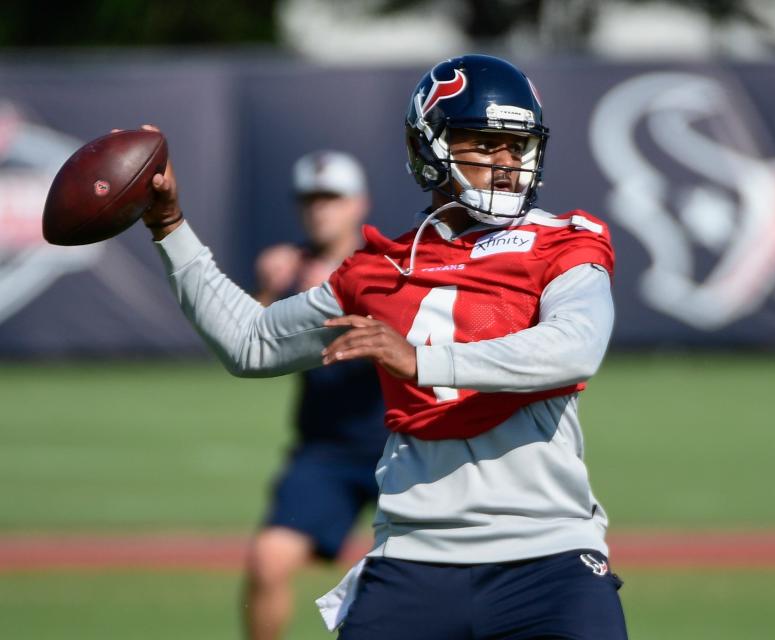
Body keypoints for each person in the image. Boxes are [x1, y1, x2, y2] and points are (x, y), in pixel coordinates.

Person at [139, 54, 627, 639]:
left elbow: (574, 348)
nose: (504, 164)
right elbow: (249, 342)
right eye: (482, 142)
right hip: (415, 558)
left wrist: (420, 359)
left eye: (516, 146)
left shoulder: (564, 242)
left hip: (549, 556)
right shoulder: (378, 269)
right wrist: (171, 228)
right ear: (431, 145)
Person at [244, 151, 386, 640]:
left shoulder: (387, 264)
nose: (320, 209)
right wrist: (269, 296)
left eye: (332, 198)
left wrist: (330, 297)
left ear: (358, 204)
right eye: (310, 199)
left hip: (401, 440)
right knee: (267, 561)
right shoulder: (284, 269)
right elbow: (249, 352)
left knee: (415, 582)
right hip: (325, 448)